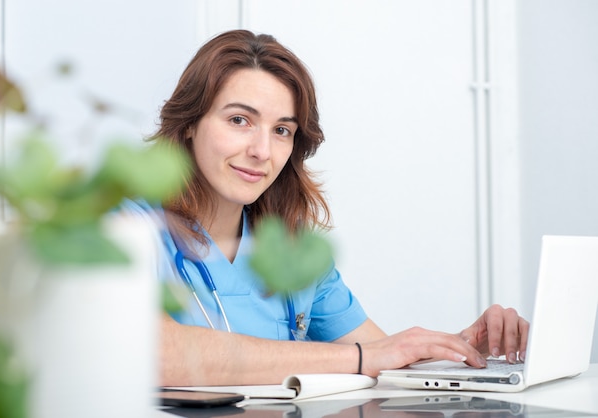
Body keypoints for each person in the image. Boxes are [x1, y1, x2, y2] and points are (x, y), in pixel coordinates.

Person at [123, 29, 529, 386]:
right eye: (239, 121)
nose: (262, 151)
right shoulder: (129, 227)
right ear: (190, 122)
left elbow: (385, 357)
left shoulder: (293, 252)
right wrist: (359, 360)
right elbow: (153, 353)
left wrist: (464, 348)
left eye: (281, 130)